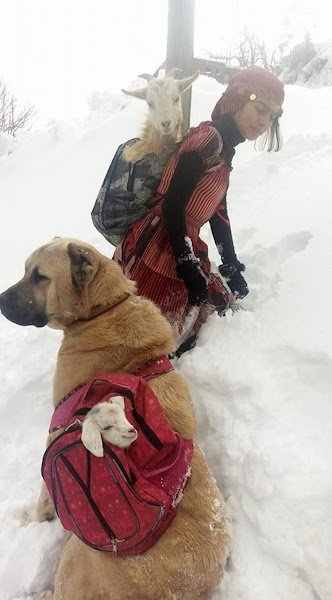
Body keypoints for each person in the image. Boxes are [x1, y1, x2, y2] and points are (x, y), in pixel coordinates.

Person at [114, 66, 285, 356]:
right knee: (148, 341)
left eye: (272, 115)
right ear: (236, 101)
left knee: (211, 315)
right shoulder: (208, 140)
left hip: (180, 240)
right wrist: (185, 262)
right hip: (161, 243)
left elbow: (219, 210)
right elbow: (172, 205)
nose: (264, 121)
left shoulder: (224, 147)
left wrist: (230, 262)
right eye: (259, 109)